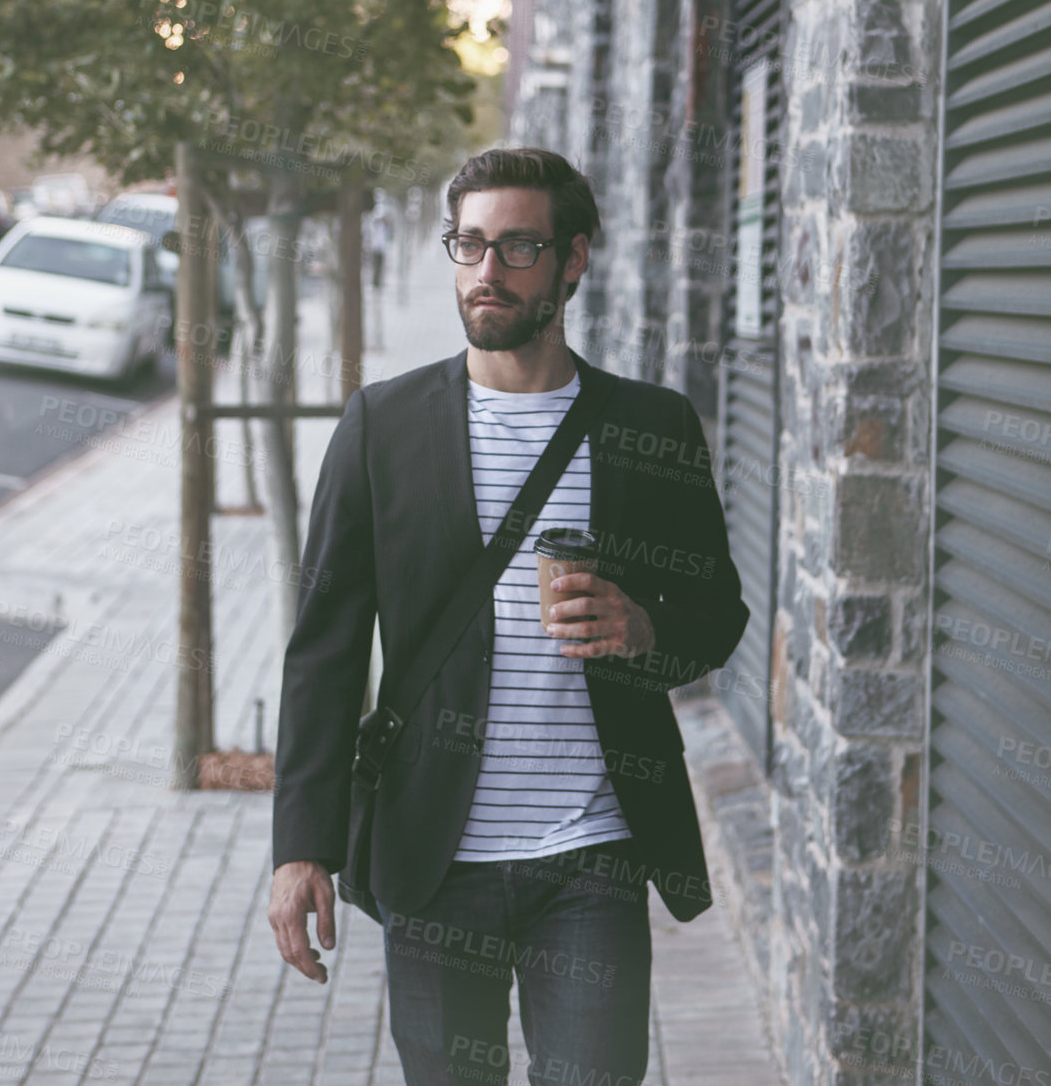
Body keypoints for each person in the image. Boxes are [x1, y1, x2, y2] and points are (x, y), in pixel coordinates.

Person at [268, 147, 750, 1086]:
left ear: (572, 260)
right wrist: (301, 849)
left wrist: (646, 629)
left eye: (517, 247)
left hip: (594, 860)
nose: (486, 272)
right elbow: (322, 656)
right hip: (434, 863)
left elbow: (718, 614)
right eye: (468, 244)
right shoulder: (384, 427)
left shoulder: (652, 427)